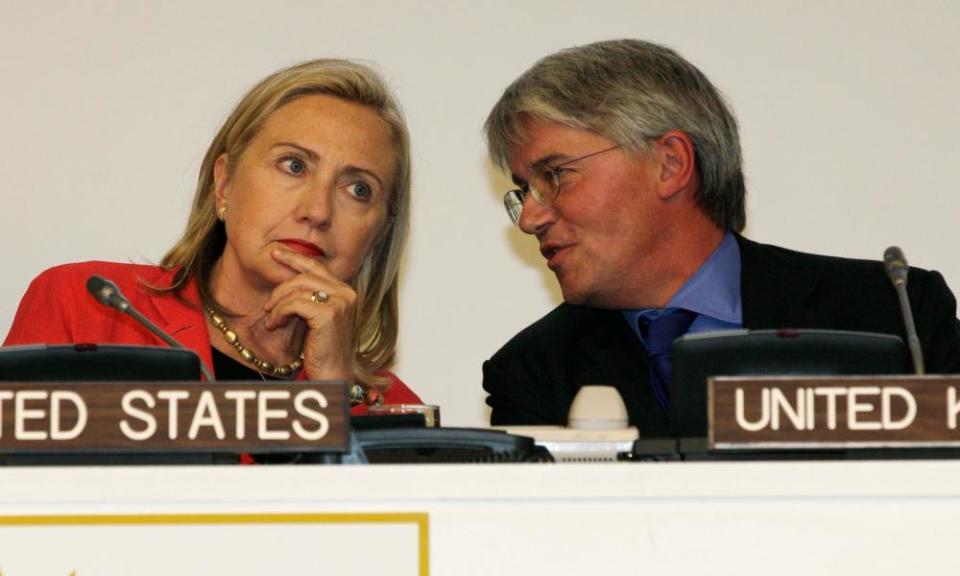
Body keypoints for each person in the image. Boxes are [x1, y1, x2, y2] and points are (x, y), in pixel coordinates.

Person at [482, 39, 960, 437]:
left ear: (669, 164)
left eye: (556, 175)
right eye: (524, 190)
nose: (530, 218)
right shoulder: (532, 374)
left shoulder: (895, 315)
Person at [4, 59, 421, 411]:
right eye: (293, 166)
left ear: (378, 235)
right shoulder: (88, 311)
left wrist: (332, 388)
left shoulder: (390, 409)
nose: (317, 211)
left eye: (358, 189)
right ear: (224, 185)